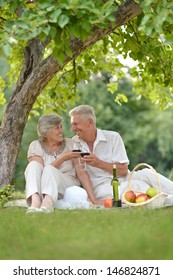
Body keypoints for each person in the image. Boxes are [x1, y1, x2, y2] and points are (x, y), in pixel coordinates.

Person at [69, 104, 173, 205]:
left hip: (125, 177)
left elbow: (123, 171)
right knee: (136, 185)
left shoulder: (113, 137)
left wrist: (98, 163)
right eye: (72, 124)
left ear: (90, 122)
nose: (73, 128)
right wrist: (94, 200)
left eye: (76, 124)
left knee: (147, 173)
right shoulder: (75, 144)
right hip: (102, 187)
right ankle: (165, 201)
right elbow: (81, 173)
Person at [24, 113, 99, 213]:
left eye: (61, 127)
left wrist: (93, 199)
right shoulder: (36, 146)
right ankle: (35, 203)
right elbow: (39, 174)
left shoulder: (70, 144)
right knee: (33, 165)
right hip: (43, 187)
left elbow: (81, 172)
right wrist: (63, 158)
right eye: (56, 128)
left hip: (66, 185)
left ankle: (47, 205)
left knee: (50, 169)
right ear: (45, 131)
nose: (61, 130)